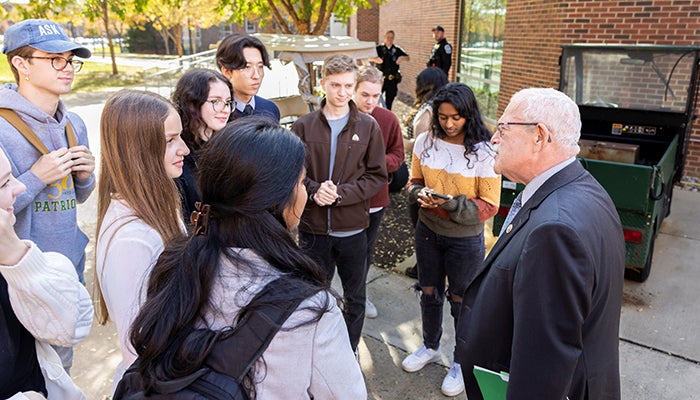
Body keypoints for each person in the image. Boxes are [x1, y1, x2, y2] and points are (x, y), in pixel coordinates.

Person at [126, 117, 367, 399]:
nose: (304, 192)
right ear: (277, 199)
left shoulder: (174, 263)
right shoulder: (310, 310)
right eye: (301, 182)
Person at [455, 88, 625, 400]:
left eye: (503, 128)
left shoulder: (555, 230)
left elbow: (543, 367)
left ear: (539, 136)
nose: (493, 139)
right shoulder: (584, 188)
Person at [0, 18, 95, 374]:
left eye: (70, 59)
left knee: (61, 369)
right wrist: (36, 177)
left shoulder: (75, 123)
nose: (66, 67)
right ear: (21, 64)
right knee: (23, 375)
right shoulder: (2, 127)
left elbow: (78, 196)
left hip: (68, 266)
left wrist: (85, 176)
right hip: (18, 275)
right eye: (55, 59)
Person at [401, 82, 501, 397]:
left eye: (456, 117)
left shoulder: (485, 152)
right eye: (442, 117)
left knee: (462, 302)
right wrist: (420, 194)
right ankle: (430, 346)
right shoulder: (424, 142)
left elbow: (489, 205)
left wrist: (450, 204)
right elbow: (413, 181)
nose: (448, 123)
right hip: (428, 232)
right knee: (429, 293)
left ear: (468, 115)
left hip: (465, 241)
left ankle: (461, 361)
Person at [291, 54, 387, 353]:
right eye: (335, 85)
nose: (342, 92)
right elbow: (293, 173)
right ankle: (315, 350)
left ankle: (350, 348)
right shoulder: (303, 126)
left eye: (348, 85)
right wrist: (314, 190)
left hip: (353, 230)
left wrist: (341, 194)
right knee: (314, 295)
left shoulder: (369, 126)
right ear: (323, 83)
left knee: (355, 296)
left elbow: (377, 176)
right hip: (313, 229)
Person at [93, 90, 189, 386]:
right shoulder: (130, 241)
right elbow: (137, 351)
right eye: (170, 140)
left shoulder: (161, 206)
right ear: (138, 150)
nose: (184, 149)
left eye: (180, 137)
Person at [0, 147, 93, 399]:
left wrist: (17, 257)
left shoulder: (11, 257)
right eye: (4, 183)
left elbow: (75, 327)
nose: (19, 188)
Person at [352, 65, 405, 319]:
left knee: (365, 250)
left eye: (375, 95)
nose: (370, 101)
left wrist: (375, 163)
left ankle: (359, 298)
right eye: (365, 95)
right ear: (354, 90)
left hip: (375, 200)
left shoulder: (388, 119)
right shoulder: (340, 116)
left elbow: (398, 156)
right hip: (342, 201)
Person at [403, 67, 449, 279]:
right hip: (438, 174)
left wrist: (399, 142)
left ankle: (424, 271)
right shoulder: (444, 107)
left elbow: (420, 145)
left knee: (422, 226)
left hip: (423, 175)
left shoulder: (429, 110)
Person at [171, 68, 234, 221]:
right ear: (192, 103)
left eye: (228, 102)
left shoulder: (228, 145)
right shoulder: (177, 154)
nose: (225, 109)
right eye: (215, 101)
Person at [215, 34, 280, 121]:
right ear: (227, 71)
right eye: (247, 67)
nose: (256, 76)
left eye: (260, 66)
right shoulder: (217, 114)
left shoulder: (270, 109)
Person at [373, 30, 409, 110]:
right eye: (388, 37)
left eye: (391, 38)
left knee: (389, 102)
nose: (390, 39)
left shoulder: (396, 49)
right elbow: (369, 57)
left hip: (392, 80)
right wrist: (376, 59)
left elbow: (407, 57)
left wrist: (401, 58)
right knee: (376, 100)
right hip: (380, 79)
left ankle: (387, 118)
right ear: (384, 37)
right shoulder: (379, 49)